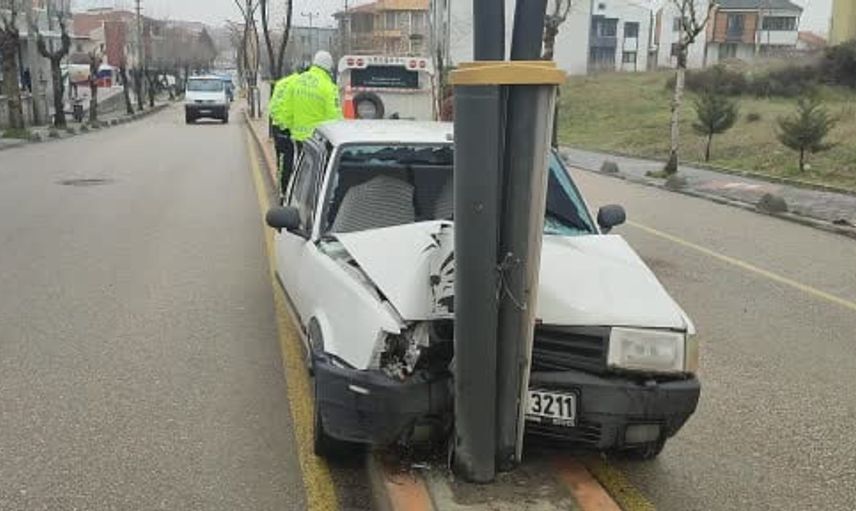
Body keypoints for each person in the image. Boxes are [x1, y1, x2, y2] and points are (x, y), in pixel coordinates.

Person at [282, 51, 342, 147]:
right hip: (317, 143)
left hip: (297, 138)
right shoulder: (329, 88)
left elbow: (286, 110)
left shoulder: (296, 82)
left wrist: (291, 129)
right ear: (329, 68)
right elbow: (334, 118)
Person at [269, 69, 302, 197]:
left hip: (276, 125)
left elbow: (272, 106)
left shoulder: (281, 83)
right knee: (291, 159)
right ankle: (286, 190)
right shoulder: (298, 83)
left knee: (281, 158)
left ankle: (281, 188)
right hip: (288, 127)